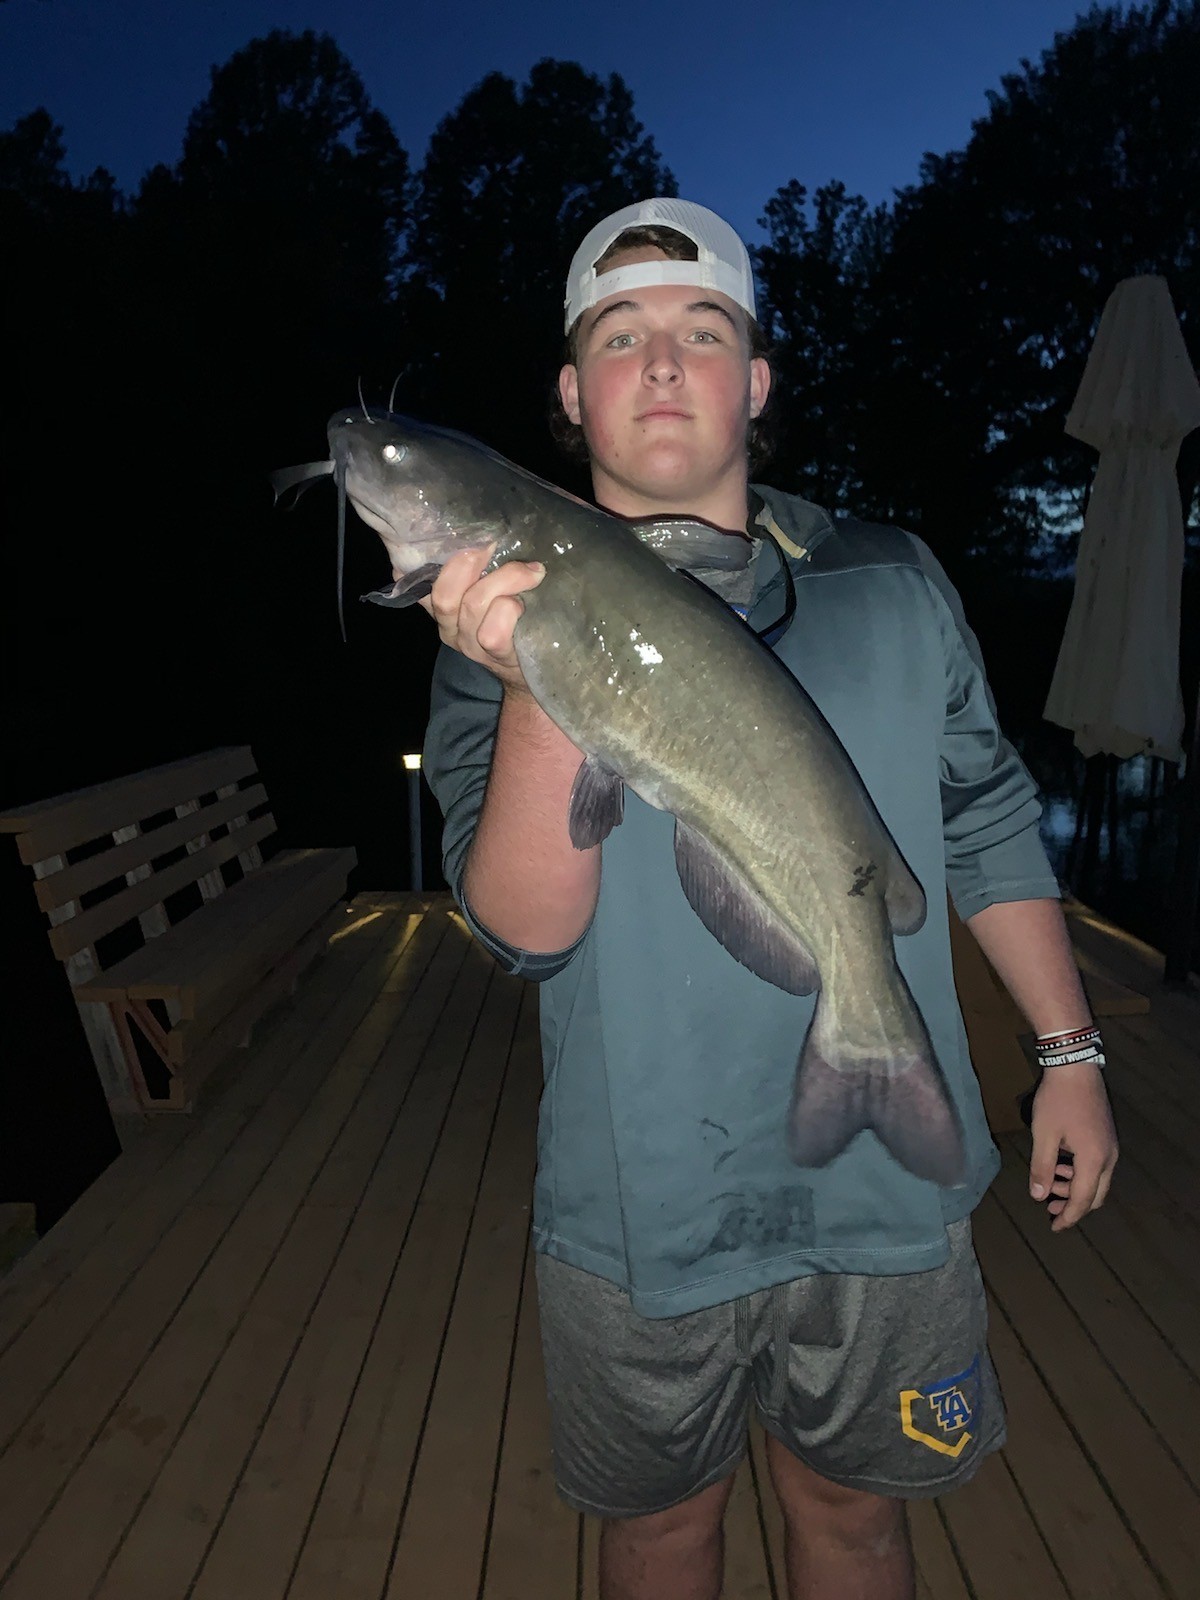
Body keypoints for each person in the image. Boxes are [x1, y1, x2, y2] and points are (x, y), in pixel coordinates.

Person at [420, 197, 1119, 1600]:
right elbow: (522, 933)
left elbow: (987, 820)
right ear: (572, 393)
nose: (661, 363)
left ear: (755, 381)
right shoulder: (484, 625)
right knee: (660, 1532)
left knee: (855, 1520)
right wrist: (541, 662)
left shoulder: (890, 581)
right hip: (638, 1200)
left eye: (702, 330)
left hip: (883, 1197)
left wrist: (1070, 1054)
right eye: (619, 336)